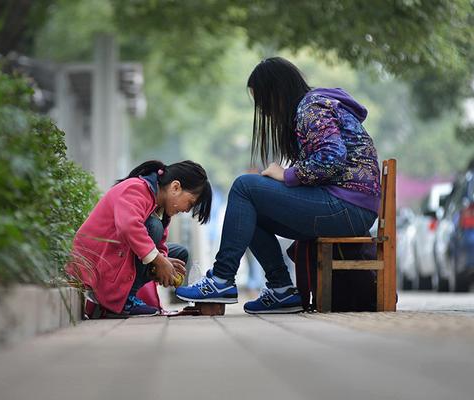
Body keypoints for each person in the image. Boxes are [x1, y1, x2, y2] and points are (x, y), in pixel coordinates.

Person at [175, 57, 381, 314]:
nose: (262, 110)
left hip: (346, 206)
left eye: (262, 101)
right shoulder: (313, 107)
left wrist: (287, 175)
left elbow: (332, 158)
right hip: (348, 207)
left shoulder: (311, 108)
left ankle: (221, 279)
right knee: (250, 212)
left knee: (244, 187)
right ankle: (282, 289)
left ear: (276, 91)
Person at [67, 160, 212, 317]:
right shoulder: (136, 188)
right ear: (175, 187)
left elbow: (160, 244)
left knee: (178, 254)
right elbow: (128, 227)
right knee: (154, 228)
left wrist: (162, 262)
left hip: (116, 256)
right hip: (97, 263)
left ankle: (126, 297)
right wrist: (159, 260)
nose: (186, 211)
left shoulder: (161, 209)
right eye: (190, 204)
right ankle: (122, 302)